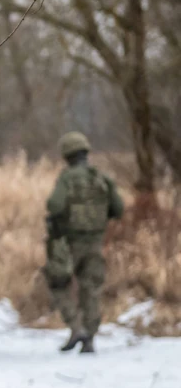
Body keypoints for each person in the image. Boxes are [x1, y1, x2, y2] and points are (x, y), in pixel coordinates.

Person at [44, 131, 124, 354]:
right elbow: (118, 209)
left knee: (58, 283)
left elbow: (55, 206)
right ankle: (89, 338)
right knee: (91, 289)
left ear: (67, 154)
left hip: (68, 243)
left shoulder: (68, 177)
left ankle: (76, 327)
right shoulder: (102, 178)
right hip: (95, 242)